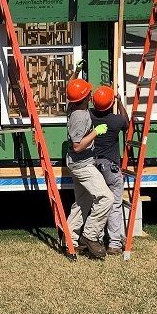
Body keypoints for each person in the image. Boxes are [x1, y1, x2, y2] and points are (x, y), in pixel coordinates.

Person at [64, 78, 113, 259]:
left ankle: (69, 240)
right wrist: (95, 132)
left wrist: (75, 72)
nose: (91, 94)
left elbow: (71, 93)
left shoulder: (73, 107)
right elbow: (77, 146)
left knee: (82, 203)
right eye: (88, 92)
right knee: (106, 198)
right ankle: (90, 236)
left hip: (78, 163)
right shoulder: (79, 117)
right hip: (82, 165)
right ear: (86, 97)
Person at [90, 85, 129, 255]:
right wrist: (119, 101)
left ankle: (96, 239)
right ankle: (114, 244)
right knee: (114, 204)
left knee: (97, 203)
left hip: (93, 166)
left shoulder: (89, 116)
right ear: (111, 103)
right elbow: (127, 122)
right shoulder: (116, 121)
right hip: (111, 167)